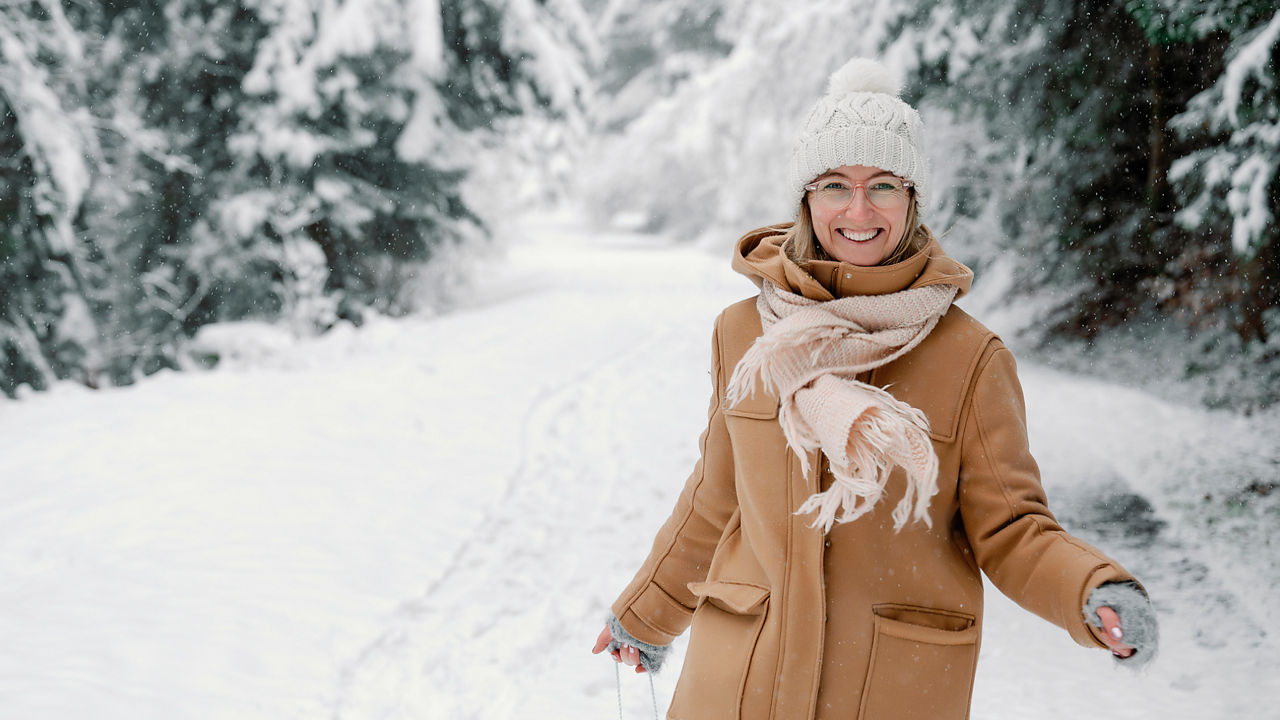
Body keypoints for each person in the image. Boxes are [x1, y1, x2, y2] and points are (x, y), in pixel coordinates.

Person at [590, 57, 1158, 720]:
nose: (859, 209)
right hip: (742, 682)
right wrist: (646, 614)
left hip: (888, 688)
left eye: (883, 184)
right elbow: (717, 497)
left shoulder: (968, 357)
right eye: (835, 184)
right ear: (806, 197)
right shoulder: (744, 333)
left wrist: (1094, 589)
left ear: (913, 198)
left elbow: (1012, 528)